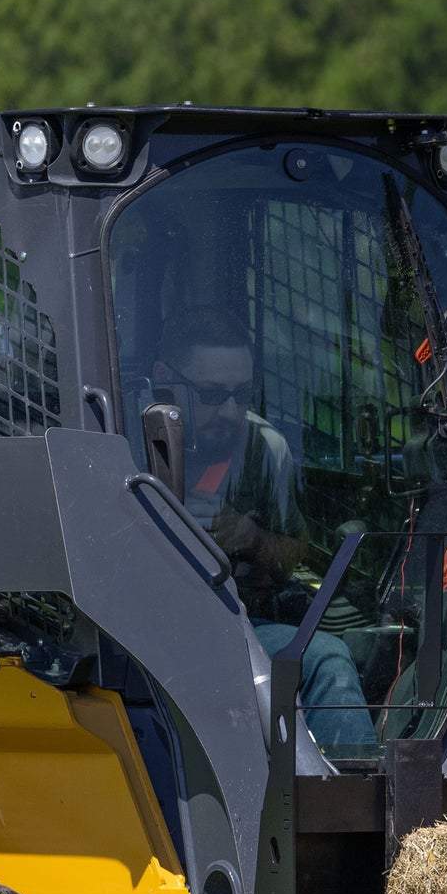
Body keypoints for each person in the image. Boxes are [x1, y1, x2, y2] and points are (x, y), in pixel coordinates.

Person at [153, 308, 376, 750]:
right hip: (143, 628)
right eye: (213, 394)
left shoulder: (265, 448)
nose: (232, 410)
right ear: (165, 379)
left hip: (241, 625)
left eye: (242, 393)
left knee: (328, 659)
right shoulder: (118, 440)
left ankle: (364, 807)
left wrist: (252, 539)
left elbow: (296, 548)